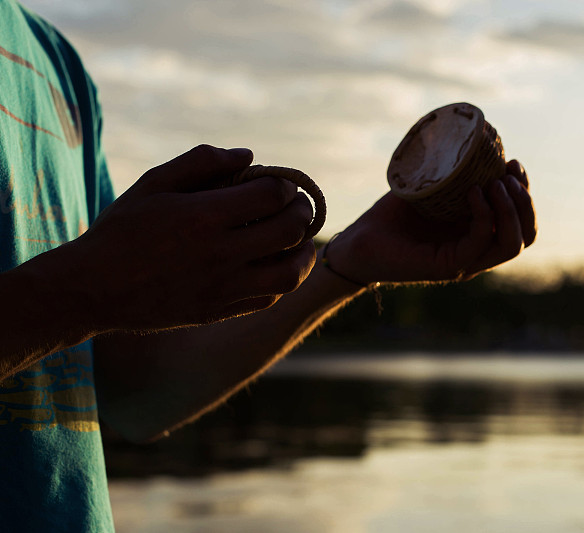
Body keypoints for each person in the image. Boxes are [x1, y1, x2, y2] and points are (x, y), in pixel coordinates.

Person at [0, 1, 537, 531]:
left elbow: (132, 395)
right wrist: (88, 291)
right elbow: (82, 302)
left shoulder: (56, 65)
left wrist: (348, 264)